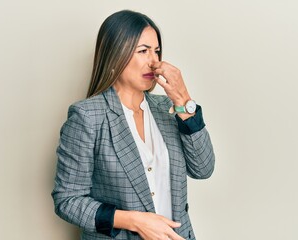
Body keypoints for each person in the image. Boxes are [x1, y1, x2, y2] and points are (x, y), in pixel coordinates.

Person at [52, 10, 215, 240]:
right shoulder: (87, 116)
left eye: (156, 51)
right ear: (116, 54)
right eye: (143, 51)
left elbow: (204, 168)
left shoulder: (167, 109)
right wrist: (135, 221)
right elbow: (67, 200)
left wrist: (183, 99)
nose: (154, 61)